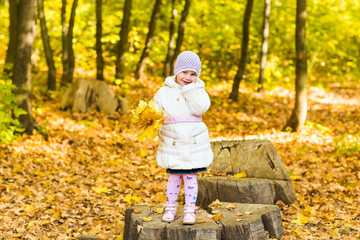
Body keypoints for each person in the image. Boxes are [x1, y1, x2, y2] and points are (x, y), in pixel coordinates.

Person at [153, 51, 213, 224]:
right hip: (173, 141)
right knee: (173, 177)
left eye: (193, 74)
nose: (188, 77)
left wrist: (190, 90)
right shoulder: (164, 92)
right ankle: (170, 207)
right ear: (176, 72)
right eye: (184, 72)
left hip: (192, 142)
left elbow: (199, 109)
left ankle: (189, 209)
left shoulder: (199, 91)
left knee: (190, 177)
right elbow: (156, 110)